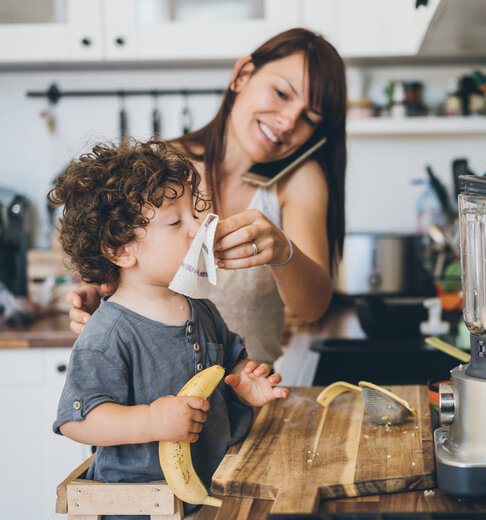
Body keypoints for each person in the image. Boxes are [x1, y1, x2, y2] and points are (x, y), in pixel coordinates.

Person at [66, 28, 347, 367]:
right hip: (159, 405)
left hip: (249, 400)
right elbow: (118, 257)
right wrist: (99, 289)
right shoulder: (159, 168)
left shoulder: (299, 180)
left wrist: (283, 251)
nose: (288, 121)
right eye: (281, 93)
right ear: (243, 75)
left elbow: (312, 307)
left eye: (309, 118)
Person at [49, 139, 289, 520]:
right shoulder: (108, 333)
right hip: (140, 507)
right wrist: (152, 421)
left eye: (194, 214)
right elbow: (78, 421)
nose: (197, 229)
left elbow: (231, 362)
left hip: (214, 491)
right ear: (120, 250)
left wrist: (244, 383)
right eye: (176, 222)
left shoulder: (203, 310)